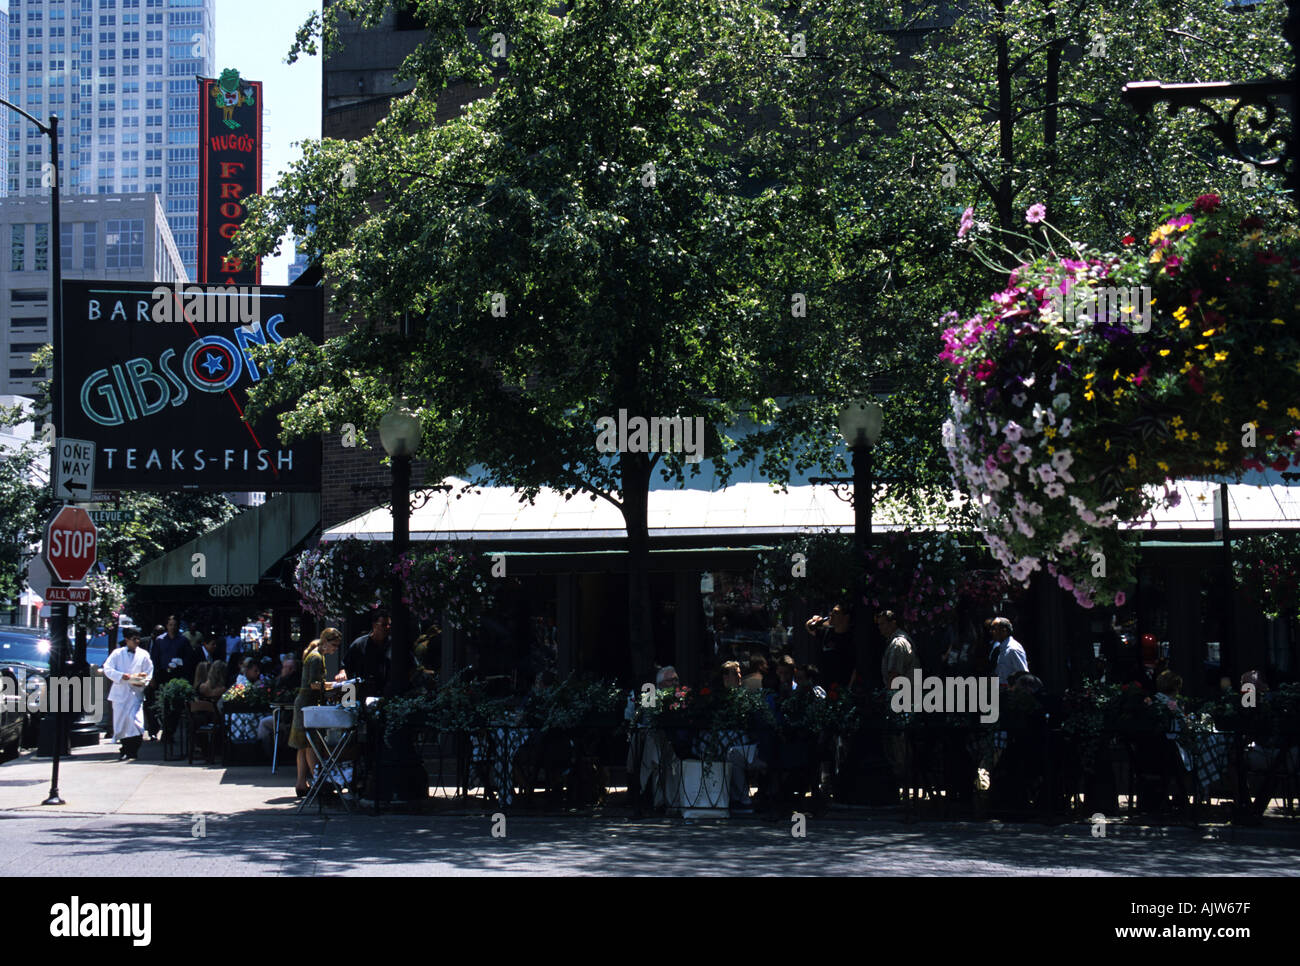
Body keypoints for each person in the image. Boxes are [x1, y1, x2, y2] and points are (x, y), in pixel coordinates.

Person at [290, 628, 345, 797]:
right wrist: (333, 686)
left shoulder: (314, 655)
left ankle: (301, 783)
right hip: (308, 702)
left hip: (304, 703)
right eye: (334, 645)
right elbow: (314, 684)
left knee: (303, 744)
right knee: (311, 744)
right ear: (326, 642)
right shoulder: (316, 658)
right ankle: (318, 781)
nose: (335, 649)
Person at [102, 627, 154, 760]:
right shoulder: (117, 653)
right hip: (120, 692)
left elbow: (148, 671)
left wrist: (142, 681)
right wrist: (120, 676)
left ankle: (134, 749)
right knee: (122, 722)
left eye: (138, 639)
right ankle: (125, 749)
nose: (136, 641)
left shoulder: (143, 654)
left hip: (135, 693)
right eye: (133, 639)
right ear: (126, 640)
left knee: (136, 721)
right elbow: (107, 668)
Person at [805, 601, 858, 691]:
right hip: (823, 687)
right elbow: (809, 627)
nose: (831, 614)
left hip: (842, 688)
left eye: (836, 613)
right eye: (832, 612)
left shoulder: (852, 638)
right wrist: (815, 620)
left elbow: (856, 667)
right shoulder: (827, 632)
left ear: (846, 617)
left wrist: (849, 687)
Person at [343, 611, 392, 700]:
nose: (388, 628)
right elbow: (346, 666)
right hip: (363, 695)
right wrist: (342, 672)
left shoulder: (394, 645)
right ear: (374, 625)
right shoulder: (359, 644)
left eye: (389, 625)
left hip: (387, 696)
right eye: (384, 625)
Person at [876, 610, 918, 688]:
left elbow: (894, 676)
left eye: (882, 624)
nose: (879, 627)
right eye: (879, 624)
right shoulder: (901, 640)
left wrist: (888, 696)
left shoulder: (897, 644)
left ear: (893, 623)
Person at [987, 617, 1029, 686]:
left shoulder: (1013, 649)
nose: (991, 632)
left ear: (1004, 631)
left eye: (994, 629)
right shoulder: (998, 648)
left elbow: (1023, 674)